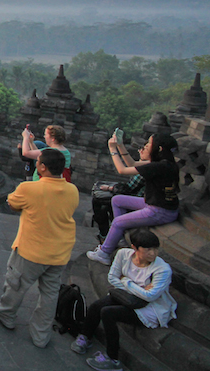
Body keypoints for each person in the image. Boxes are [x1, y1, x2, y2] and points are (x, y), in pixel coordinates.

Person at [0, 148, 79, 348]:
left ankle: (6, 314)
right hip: (60, 252)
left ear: (43, 167)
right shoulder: (72, 190)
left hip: (31, 250)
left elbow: (12, 204)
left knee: (16, 284)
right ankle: (40, 336)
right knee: (49, 294)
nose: (36, 163)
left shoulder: (29, 188)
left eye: (38, 161)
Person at [71, 229, 177, 371]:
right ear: (135, 248)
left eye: (155, 249)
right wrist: (139, 288)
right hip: (126, 296)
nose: (153, 253)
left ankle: (112, 359)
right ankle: (85, 336)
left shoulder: (163, 270)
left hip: (150, 308)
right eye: (148, 250)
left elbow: (151, 296)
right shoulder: (123, 254)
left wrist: (126, 281)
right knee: (97, 306)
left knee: (108, 313)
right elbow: (112, 277)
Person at [87, 133, 179, 265]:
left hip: (159, 210)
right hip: (157, 205)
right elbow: (132, 163)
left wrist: (112, 149)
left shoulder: (159, 167)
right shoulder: (165, 163)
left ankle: (104, 253)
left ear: (159, 149)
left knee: (118, 221)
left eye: (148, 144)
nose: (145, 147)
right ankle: (120, 238)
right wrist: (120, 145)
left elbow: (123, 170)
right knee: (117, 200)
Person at [91, 174, 145, 241]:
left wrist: (109, 188)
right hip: (139, 200)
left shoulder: (145, 171)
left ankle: (104, 235)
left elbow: (127, 188)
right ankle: (106, 234)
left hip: (138, 202)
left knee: (99, 200)